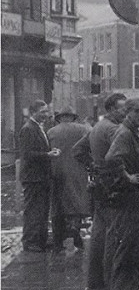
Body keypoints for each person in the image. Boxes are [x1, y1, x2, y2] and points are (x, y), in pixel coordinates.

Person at [72, 92, 128, 290]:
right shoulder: (114, 129)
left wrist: (94, 166)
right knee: (114, 234)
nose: (126, 111)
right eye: (123, 107)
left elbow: (77, 151)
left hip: (98, 185)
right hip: (113, 185)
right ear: (112, 109)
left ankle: (95, 280)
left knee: (99, 232)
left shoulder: (97, 128)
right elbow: (121, 157)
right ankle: (110, 280)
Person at [105, 97, 139, 290]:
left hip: (133, 199)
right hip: (127, 199)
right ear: (129, 113)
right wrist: (127, 178)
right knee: (128, 248)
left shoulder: (132, 133)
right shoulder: (124, 133)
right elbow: (111, 158)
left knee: (136, 248)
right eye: (138, 112)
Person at [18, 100, 60, 253]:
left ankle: (40, 240)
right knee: (33, 210)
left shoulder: (38, 128)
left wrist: (49, 152)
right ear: (33, 112)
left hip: (41, 177)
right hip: (33, 177)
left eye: (46, 111)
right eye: (42, 112)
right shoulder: (28, 129)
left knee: (42, 209)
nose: (46, 115)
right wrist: (47, 155)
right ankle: (30, 242)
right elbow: (27, 154)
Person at [47, 107, 91, 251]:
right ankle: (75, 230)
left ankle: (58, 241)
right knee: (78, 203)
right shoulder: (84, 129)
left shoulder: (51, 132)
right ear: (73, 117)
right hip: (78, 171)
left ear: (59, 118)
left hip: (57, 172)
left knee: (58, 205)